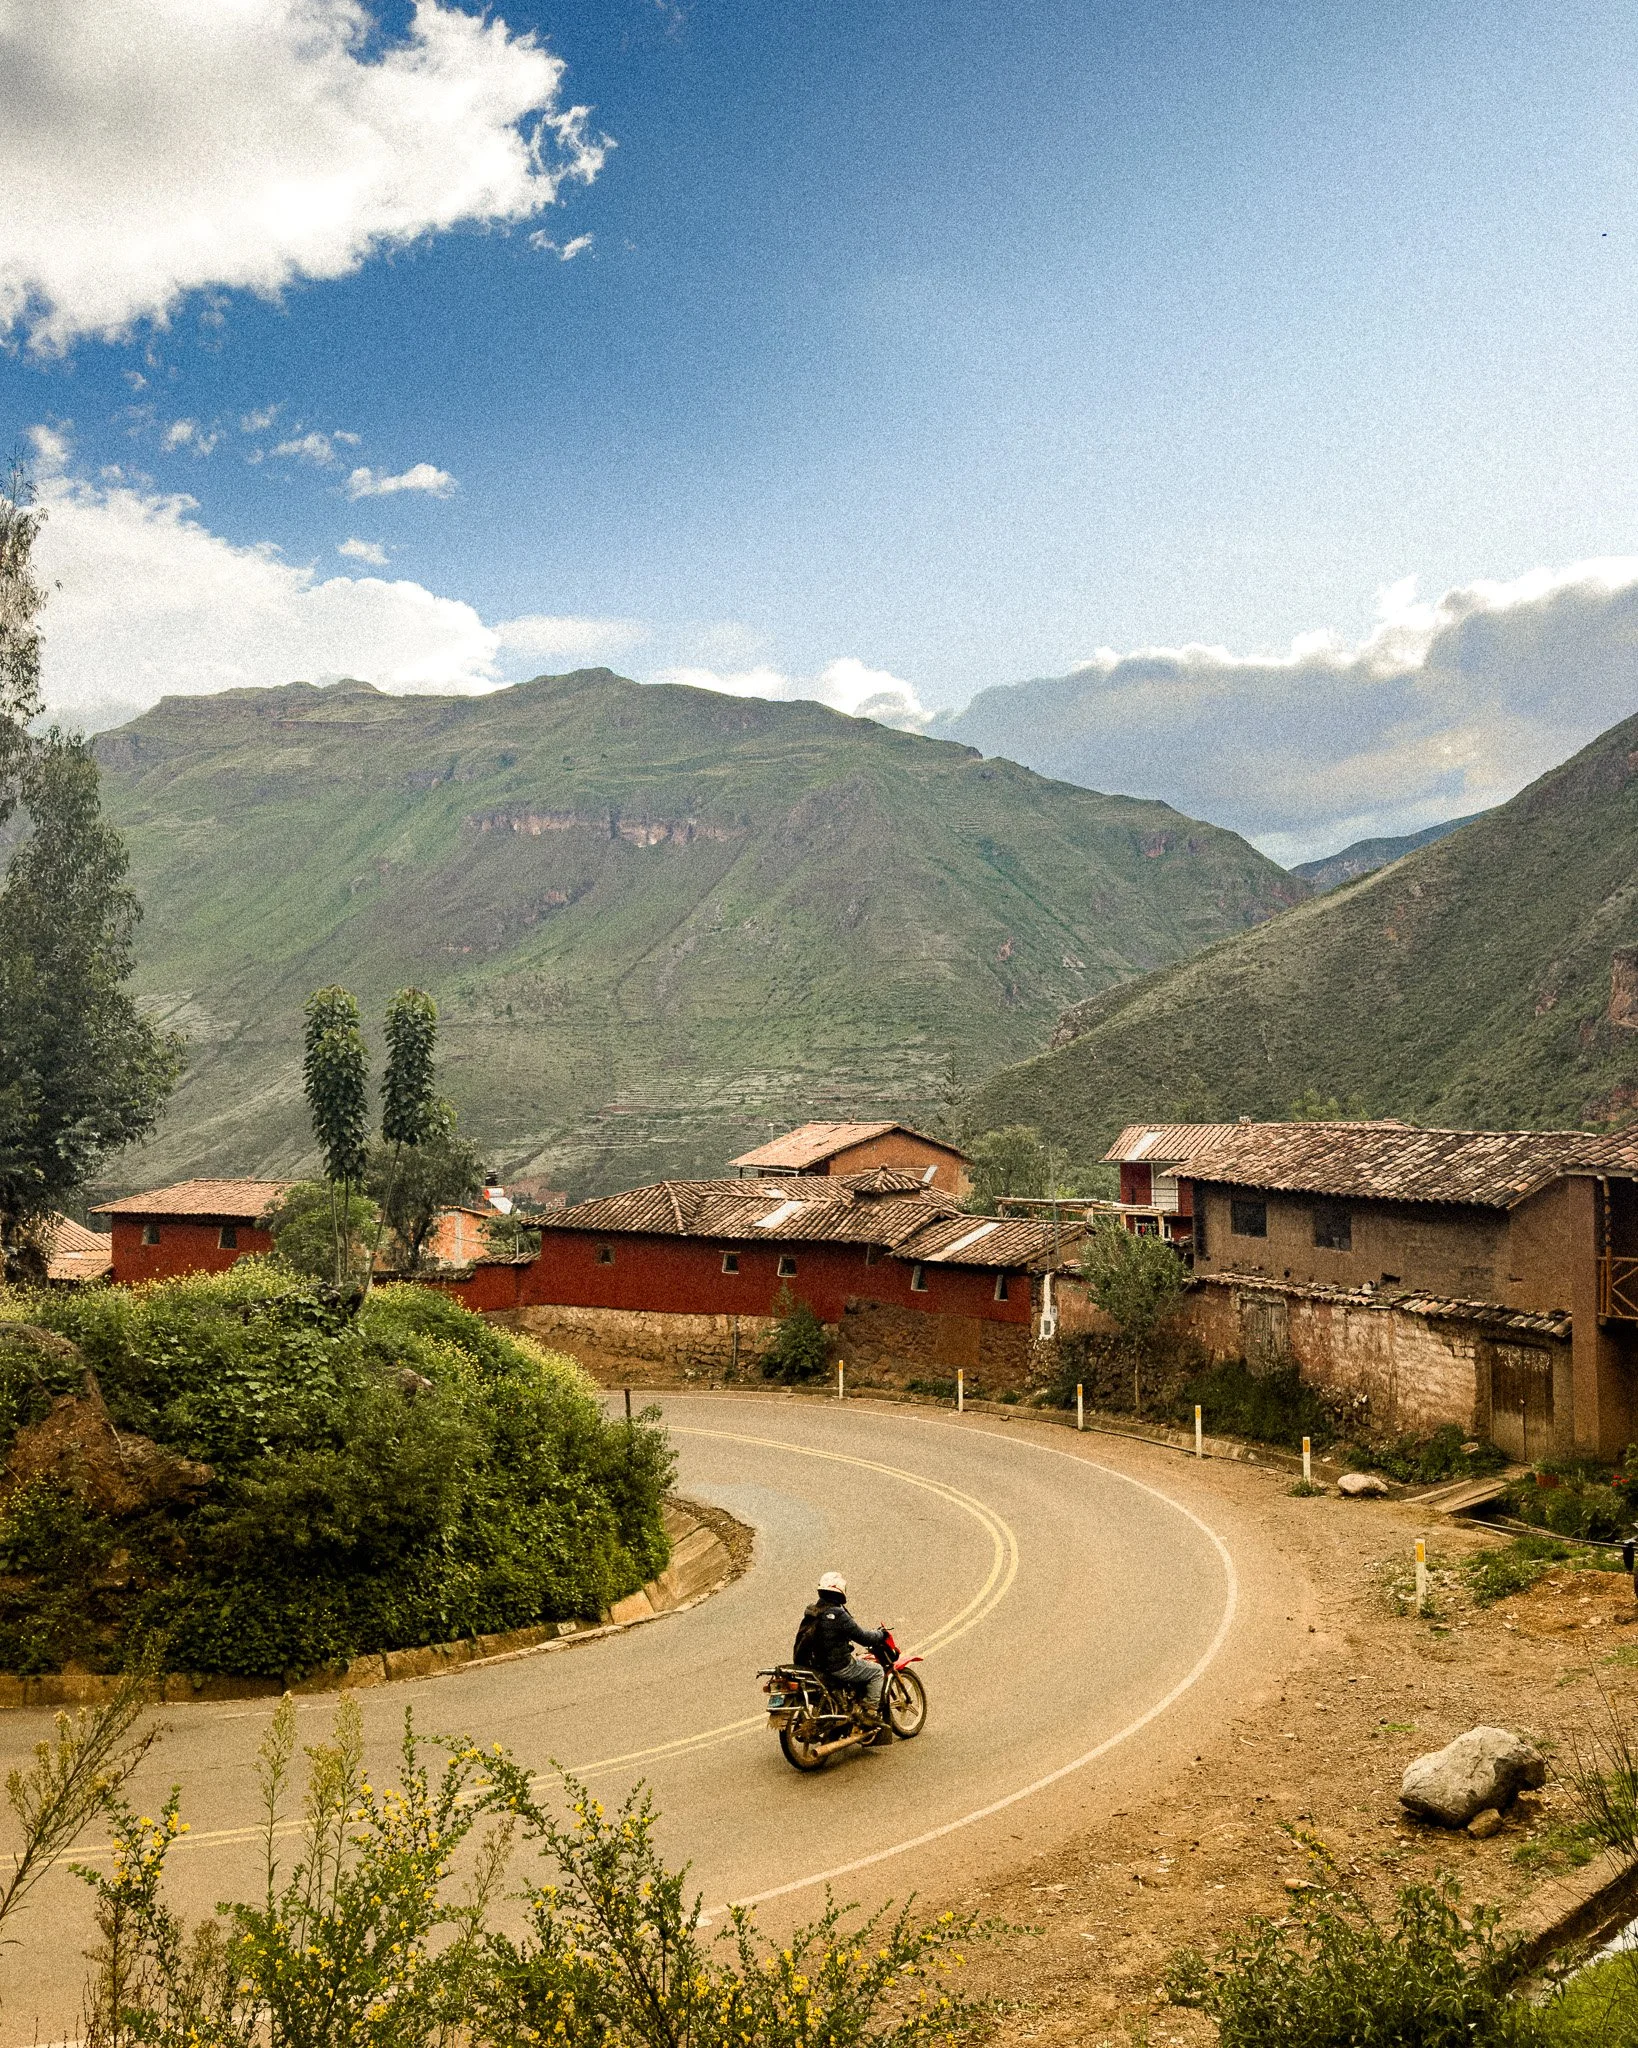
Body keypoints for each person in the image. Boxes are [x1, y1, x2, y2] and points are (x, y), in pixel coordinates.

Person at [794, 1570, 890, 1725]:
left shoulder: (812, 1611)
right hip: (838, 1666)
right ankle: (869, 1713)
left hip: (816, 1666)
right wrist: (880, 1634)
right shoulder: (838, 1614)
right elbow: (863, 1638)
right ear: (840, 1591)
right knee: (877, 1672)